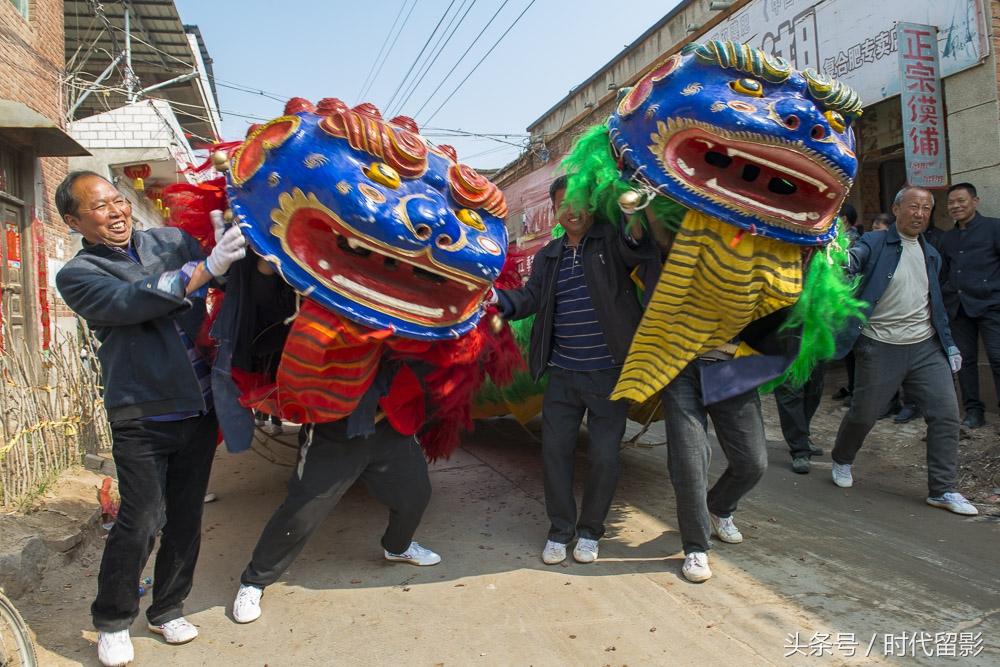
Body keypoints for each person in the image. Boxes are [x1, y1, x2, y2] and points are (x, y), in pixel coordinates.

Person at [54, 171, 247, 666]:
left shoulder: (172, 240)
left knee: (186, 518)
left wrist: (234, 243)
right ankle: (114, 621)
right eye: (99, 207)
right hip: (141, 414)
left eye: (118, 200)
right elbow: (134, 300)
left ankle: (167, 609)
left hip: (199, 407)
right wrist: (202, 268)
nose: (115, 211)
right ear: (75, 220)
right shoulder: (79, 274)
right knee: (140, 521)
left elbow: (222, 277)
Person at [230, 257, 441, 625]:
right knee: (302, 511)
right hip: (334, 429)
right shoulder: (314, 293)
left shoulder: (397, 294)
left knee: (416, 494)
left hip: (387, 424)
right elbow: (266, 309)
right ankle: (255, 580)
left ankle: (397, 547)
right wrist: (264, 269)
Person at [495, 175, 656, 566]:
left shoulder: (610, 240)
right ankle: (560, 530)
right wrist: (495, 299)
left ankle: (589, 532)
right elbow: (529, 299)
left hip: (608, 374)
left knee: (603, 457)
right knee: (555, 453)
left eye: (579, 200)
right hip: (562, 375)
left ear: (592, 204)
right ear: (554, 211)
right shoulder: (549, 255)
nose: (572, 210)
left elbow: (638, 246)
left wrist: (633, 213)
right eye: (563, 204)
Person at [830, 186, 978, 516]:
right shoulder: (875, 242)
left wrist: (948, 344)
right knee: (865, 413)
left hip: (925, 347)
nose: (920, 214)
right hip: (881, 345)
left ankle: (942, 489)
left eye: (926, 208)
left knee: (946, 415)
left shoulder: (932, 253)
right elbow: (852, 263)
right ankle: (842, 457)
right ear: (897, 209)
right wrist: (839, 260)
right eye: (913, 207)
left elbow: (934, 303)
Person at [938, 182, 1000, 429]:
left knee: (998, 358)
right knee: (965, 361)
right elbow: (943, 271)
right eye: (951, 202)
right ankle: (973, 411)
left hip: (991, 305)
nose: (955, 206)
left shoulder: (994, 228)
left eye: (961, 201)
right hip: (958, 308)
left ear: (975, 201)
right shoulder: (947, 237)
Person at [775, 367, 825, 473]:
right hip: (784, 352)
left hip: (814, 351)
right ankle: (800, 450)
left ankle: (803, 437)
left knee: (814, 387)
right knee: (789, 389)